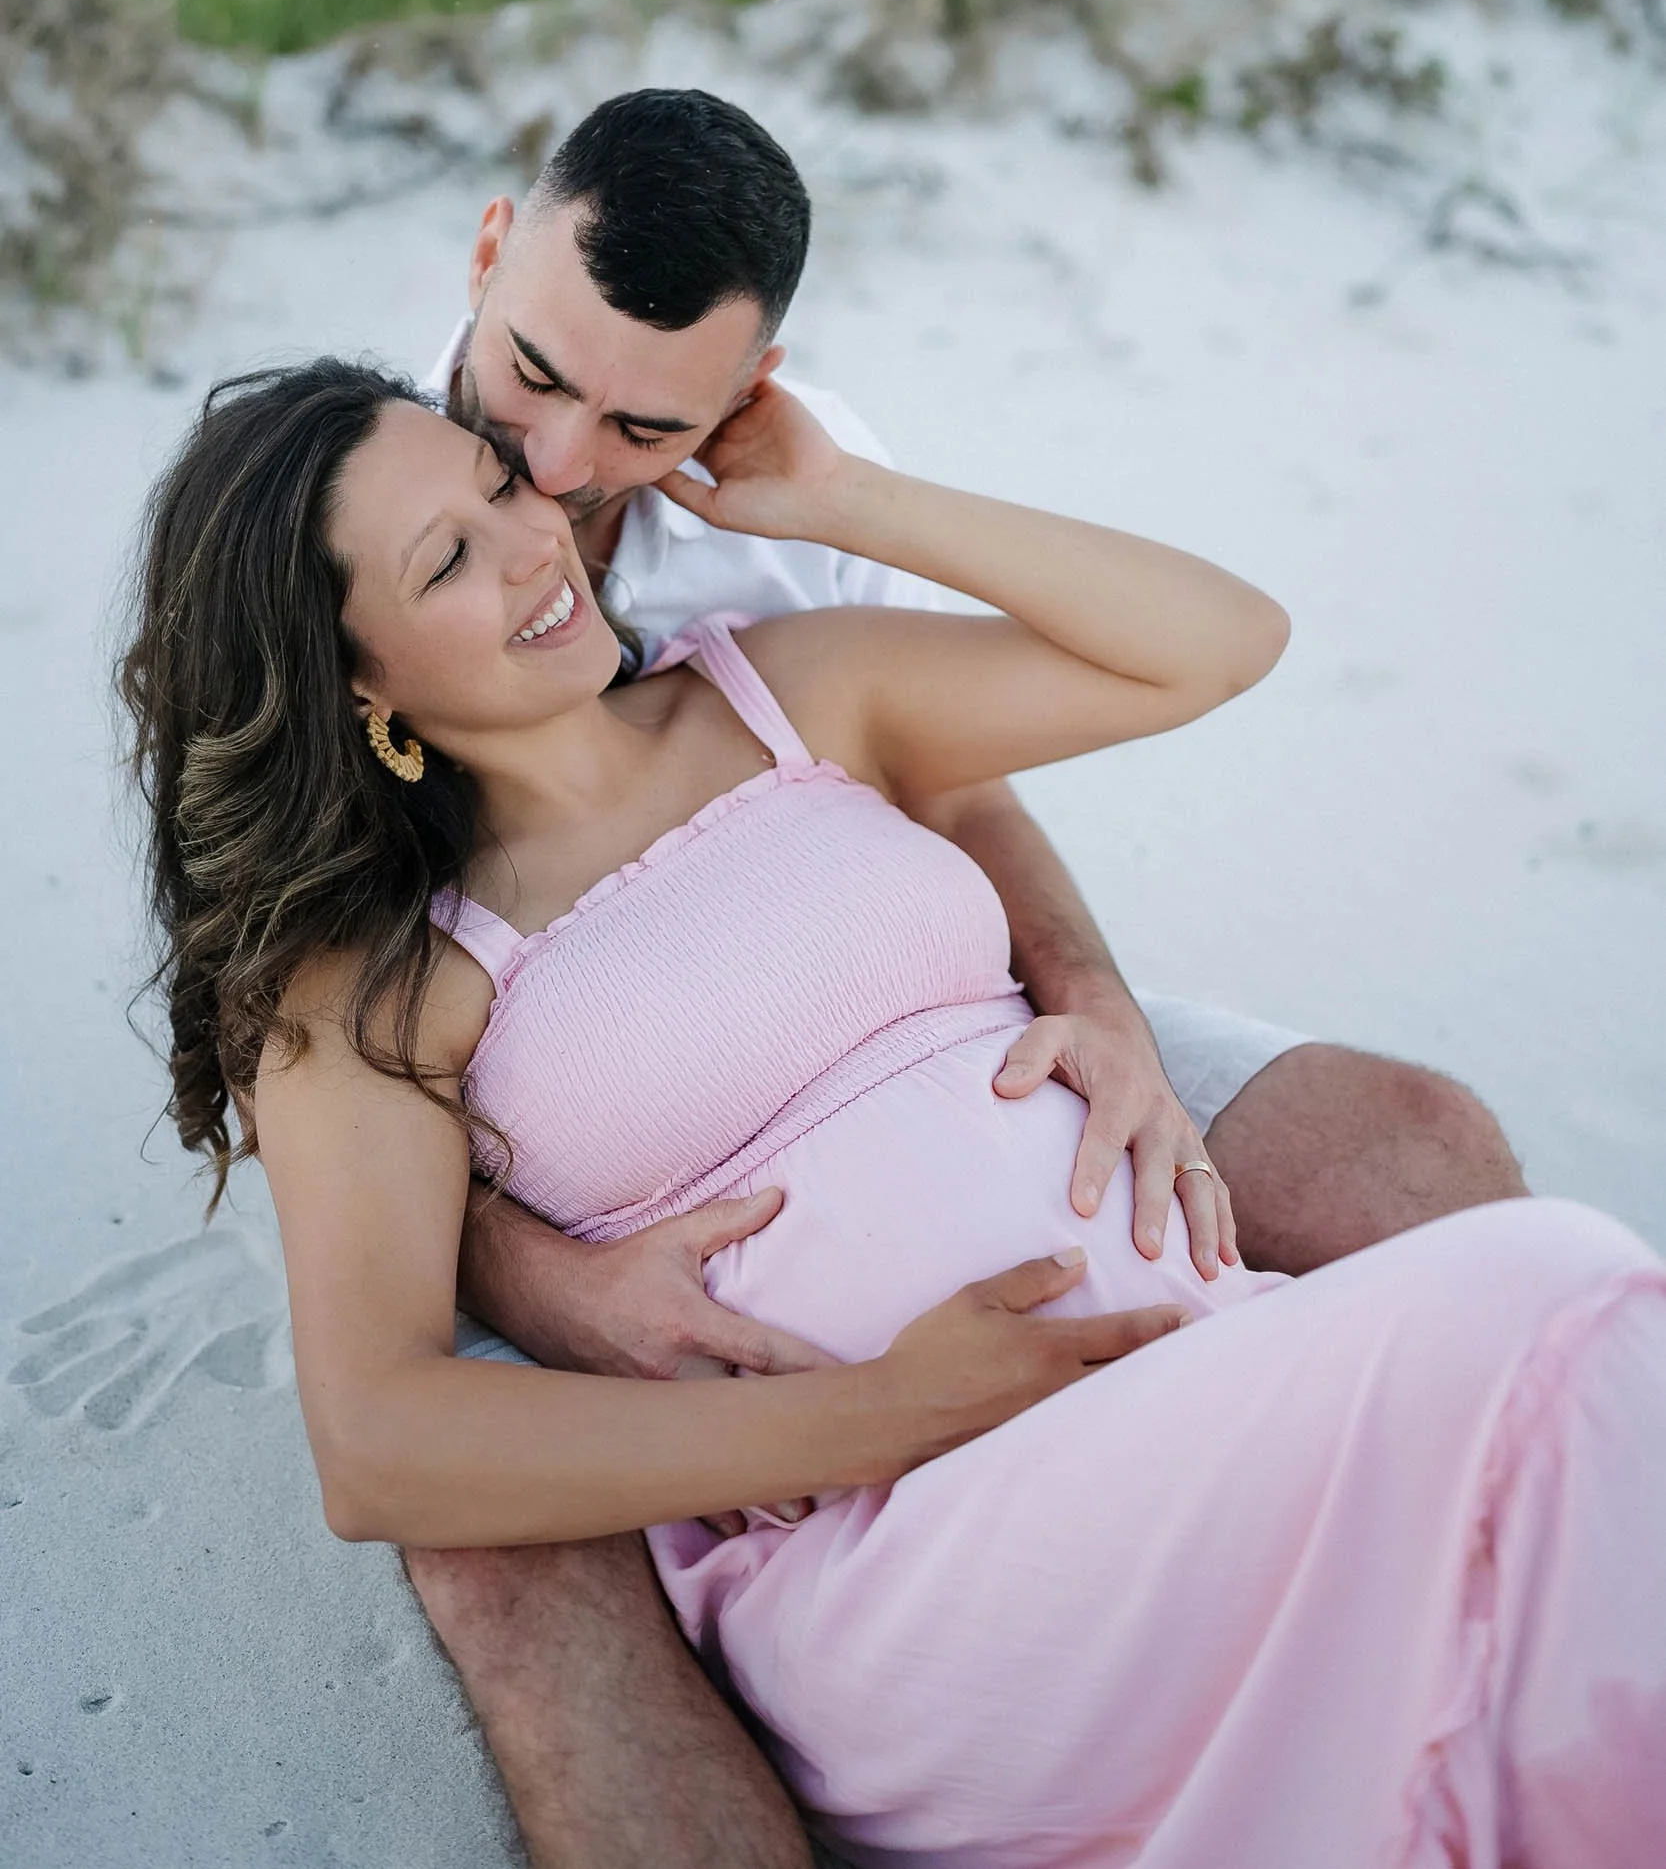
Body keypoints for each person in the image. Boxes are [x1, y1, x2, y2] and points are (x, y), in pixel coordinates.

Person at [122, 353, 1666, 1869]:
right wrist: (876, 1417)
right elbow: (378, 1437)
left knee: (1572, 1554)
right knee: (1564, 1296)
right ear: (352, 678)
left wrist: (844, 497)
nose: (536, 539)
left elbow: (1212, 642)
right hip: (922, 1557)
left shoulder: (787, 692)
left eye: (499, 481)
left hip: (1219, 1377)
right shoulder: (380, 975)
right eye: (451, 556)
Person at [401, 90, 1526, 1863]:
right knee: (499, 1558)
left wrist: (1096, 1006)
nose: (552, 464)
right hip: (588, 1142)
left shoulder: (784, 482)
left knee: (1416, 1142)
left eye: (638, 423)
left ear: (754, 381)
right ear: (487, 250)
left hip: (912, 991)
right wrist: (544, 1285)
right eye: (533, 374)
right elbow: (289, 1054)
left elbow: (960, 776)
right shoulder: (342, 520)